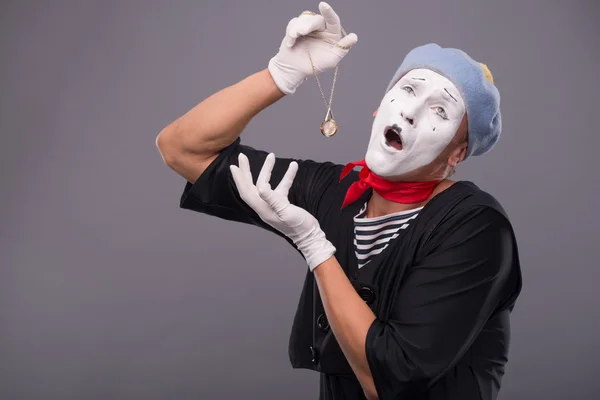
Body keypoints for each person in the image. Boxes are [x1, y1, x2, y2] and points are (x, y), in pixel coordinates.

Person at [155, 2, 522, 399]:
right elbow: (183, 149)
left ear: (456, 154)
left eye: (439, 109)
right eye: (409, 90)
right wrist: (281, 74)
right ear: (380, 108)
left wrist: (314, 245)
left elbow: (389, 378)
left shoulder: (477, 229)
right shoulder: (335, 190)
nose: (413, 112)